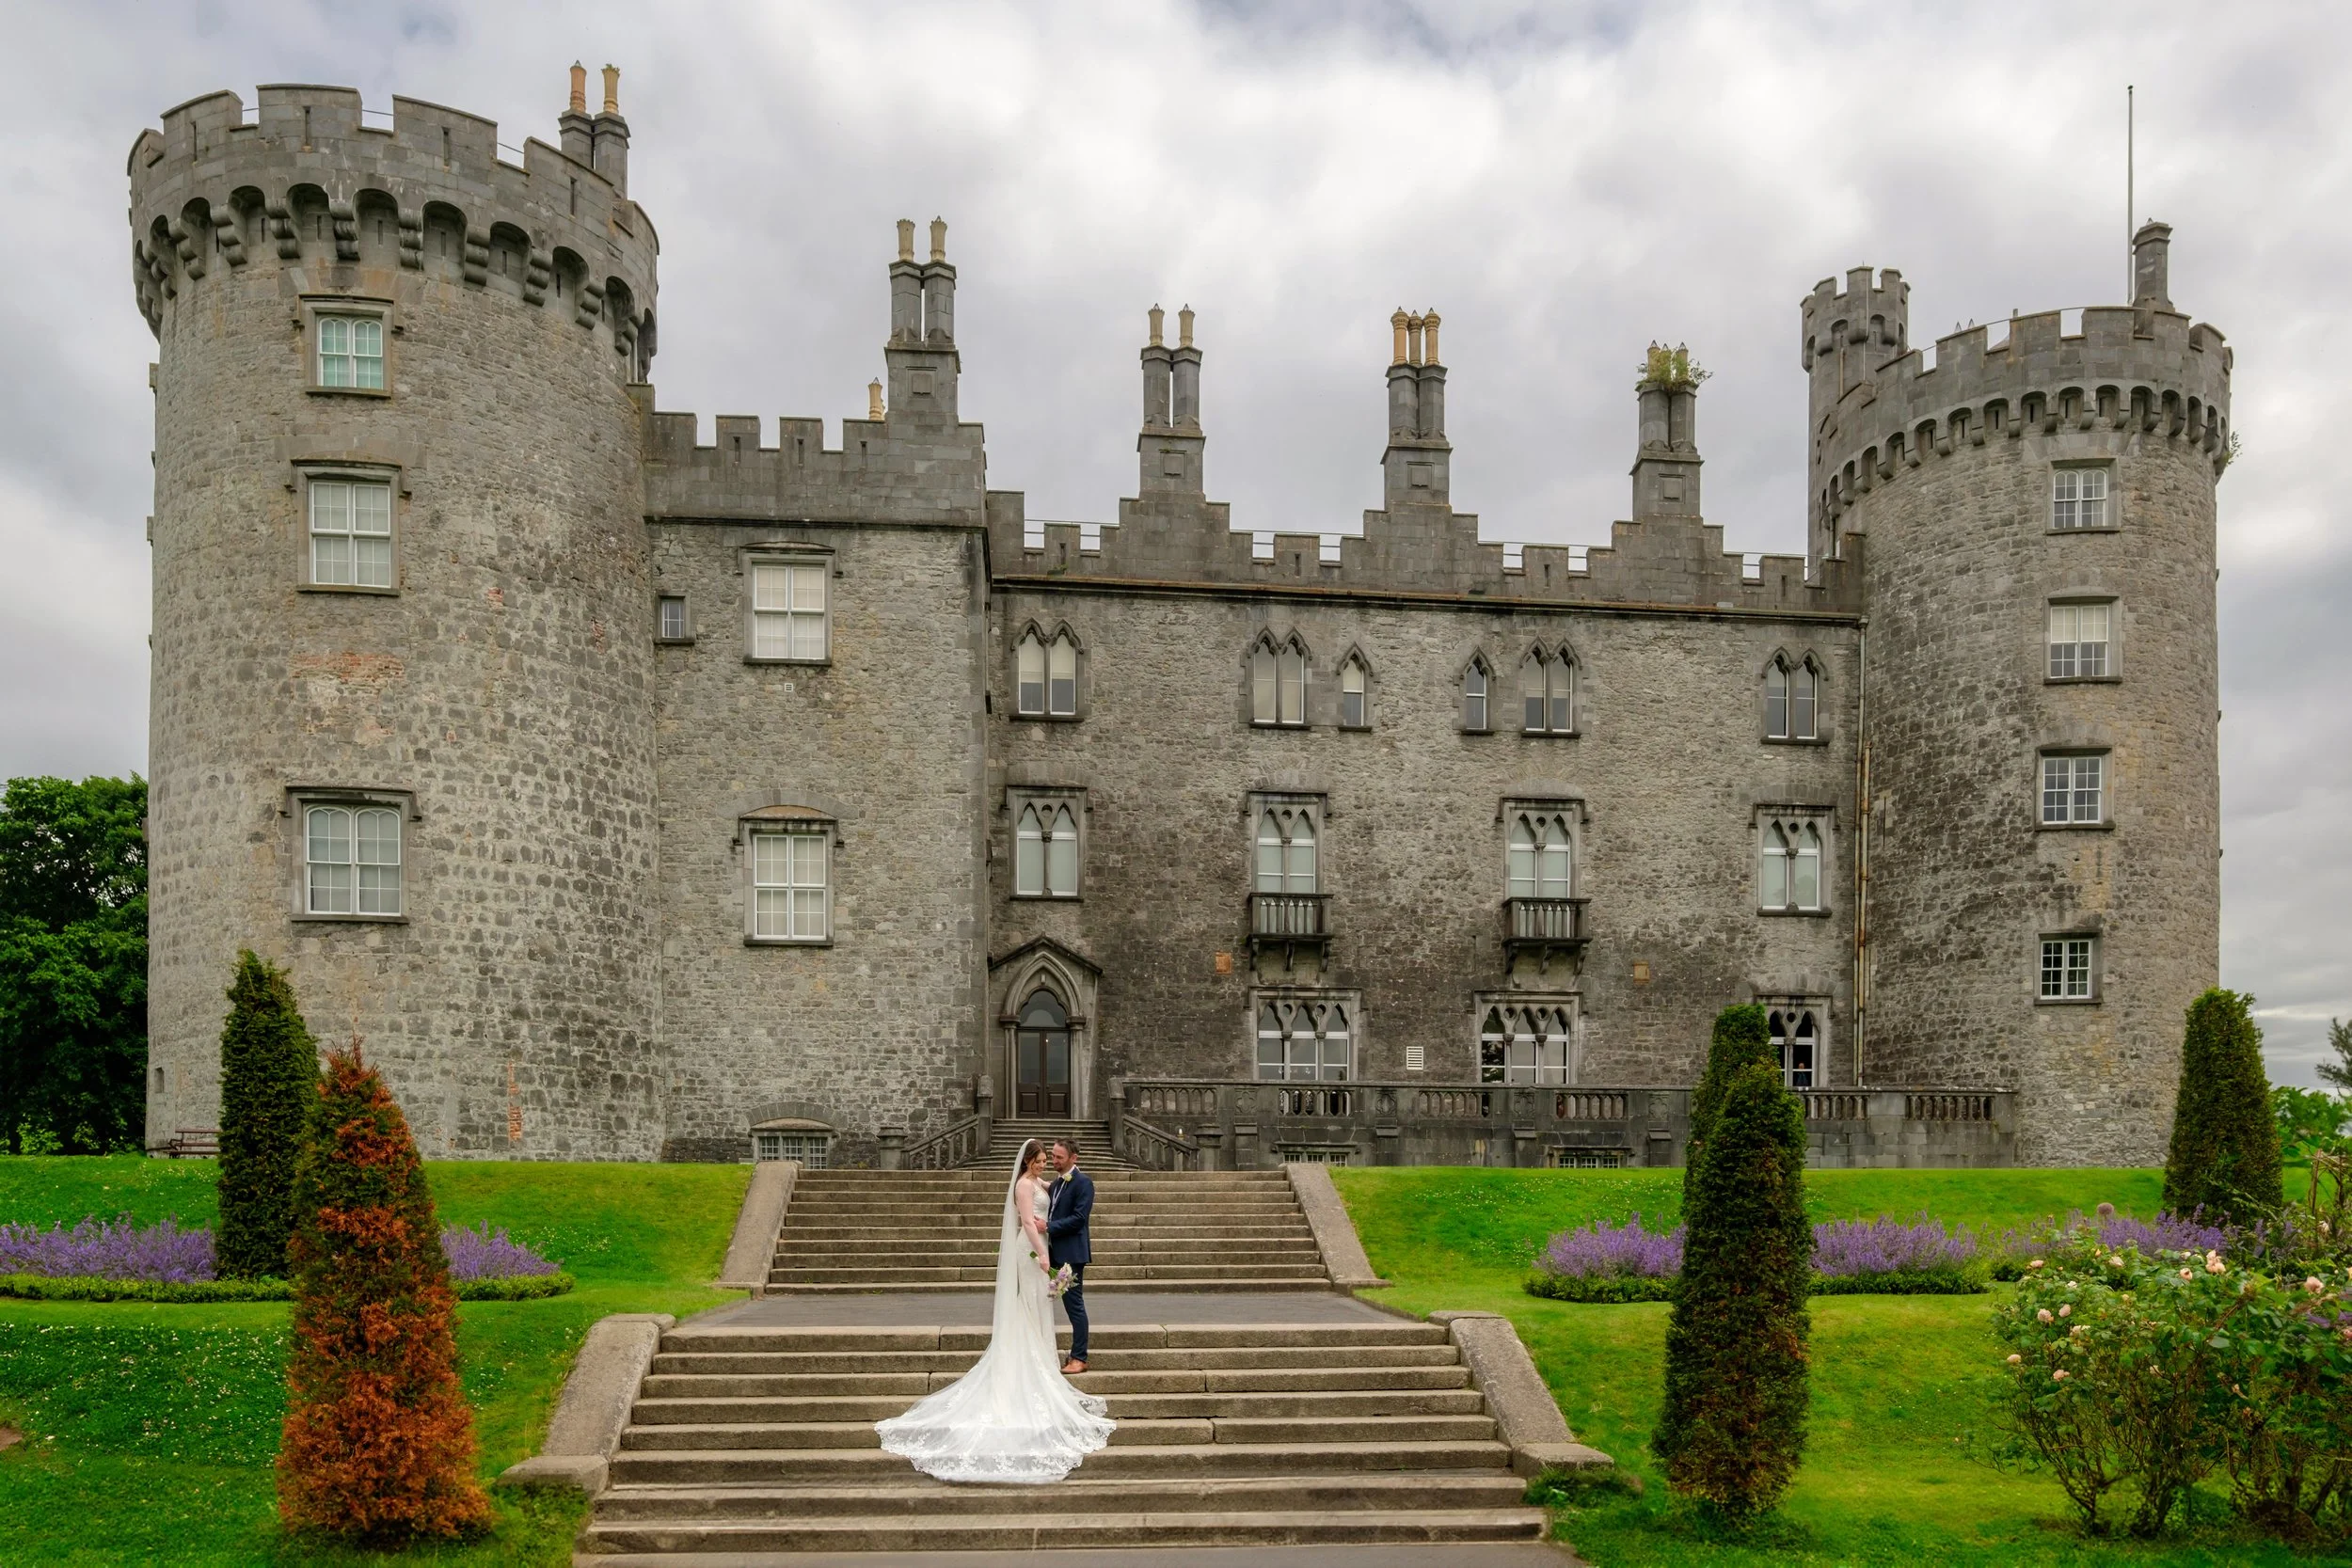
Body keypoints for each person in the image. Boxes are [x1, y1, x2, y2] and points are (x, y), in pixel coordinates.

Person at [874, 1138, 1114, 1482]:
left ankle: (1068, 1356)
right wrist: (1043, 1254)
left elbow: (1062, 1197)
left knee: (1049, 1305)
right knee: (1033, 1304)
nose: (1048, 1163)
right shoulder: (1023, 1185)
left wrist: (1051, 1222)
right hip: (1034, 1250)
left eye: (1054, 1158)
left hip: (1056, 1250)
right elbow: (1031, 1222)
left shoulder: (1054, 1182)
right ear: (1029, 1161)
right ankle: (1047, 1358)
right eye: (1044, 1159)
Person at [1046, 1137, 1094, 1372]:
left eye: (1059, 1157)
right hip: (1053, 1253)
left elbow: (1078, 1219)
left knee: (1074, 1305)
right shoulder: (1056, 1184)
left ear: (1073, 1158)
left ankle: (1079, 1358)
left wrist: (1047, 1227)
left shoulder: (1083, 1183)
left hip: (1071, 1255)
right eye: (1053, 1156)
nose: (1053, 1161)